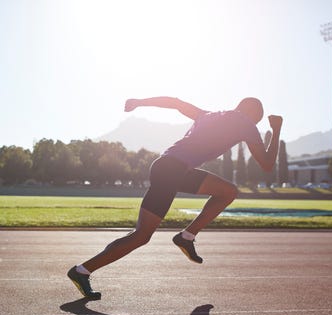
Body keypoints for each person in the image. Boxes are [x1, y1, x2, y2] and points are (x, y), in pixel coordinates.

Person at [67, 96, 283, 299]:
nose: (254, 126)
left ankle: (186, 237)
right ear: (253, 115)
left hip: (170, 167)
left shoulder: (208, 114)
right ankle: (82, 271)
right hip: (173, 171)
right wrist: (276, 130)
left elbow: (175, 103)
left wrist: (140, 102)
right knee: (141, 235)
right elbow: (266, 164)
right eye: (257, 121)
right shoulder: (246, 123)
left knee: (228, 191)